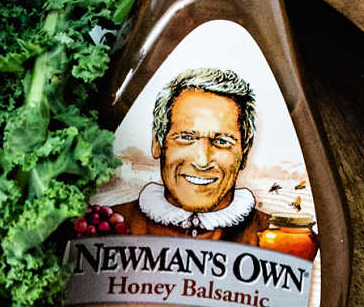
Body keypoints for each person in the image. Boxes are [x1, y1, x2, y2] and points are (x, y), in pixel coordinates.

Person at [114, 67, 310, 251]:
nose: (202, 161)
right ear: (158, 143)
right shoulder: (110, 223)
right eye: (186, 138)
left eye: (222, 141)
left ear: (244, 153)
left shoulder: (280, 240)